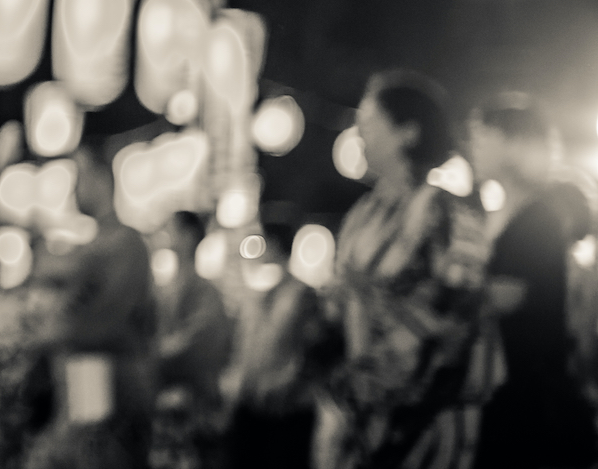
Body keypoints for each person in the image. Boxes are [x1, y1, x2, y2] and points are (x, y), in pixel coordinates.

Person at [320, 70, 498, 469]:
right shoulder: (363, 213)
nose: (359, 133)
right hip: (361, 417)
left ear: (408, 133)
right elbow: (339, 304)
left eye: (369, 121)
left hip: (424, 423)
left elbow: (460, 314)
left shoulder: (446, 211)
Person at [0, 146, 157, 469]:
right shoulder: (101, 246)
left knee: (94, 454)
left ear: (101, 180)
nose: (73, 190)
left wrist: (41, 334)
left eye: (79, 178)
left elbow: (101, 321)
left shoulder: (124, 244)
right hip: (86, 380)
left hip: (107, 379)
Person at [467, 93, 598, 469]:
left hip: (527, 397)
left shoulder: (538, 218)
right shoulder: (499, 214)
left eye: (483, 135)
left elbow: (509, 296)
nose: (473, 146)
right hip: (502, 389)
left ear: (514, 144)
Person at [222, 222, 330, 469]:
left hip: (288, 409)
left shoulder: (302, 295)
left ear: (274, 244)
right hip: (252, 405)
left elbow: (313, 349)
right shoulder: (259, 293)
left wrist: (290, 383)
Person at [150, 210, 233, 469]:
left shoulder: (206, 292)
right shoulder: (163, 289)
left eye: (171, 229)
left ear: (188, 236)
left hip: (195, 410)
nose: (166, 235)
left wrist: (154, 357)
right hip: (164, 409)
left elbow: (199, 344)